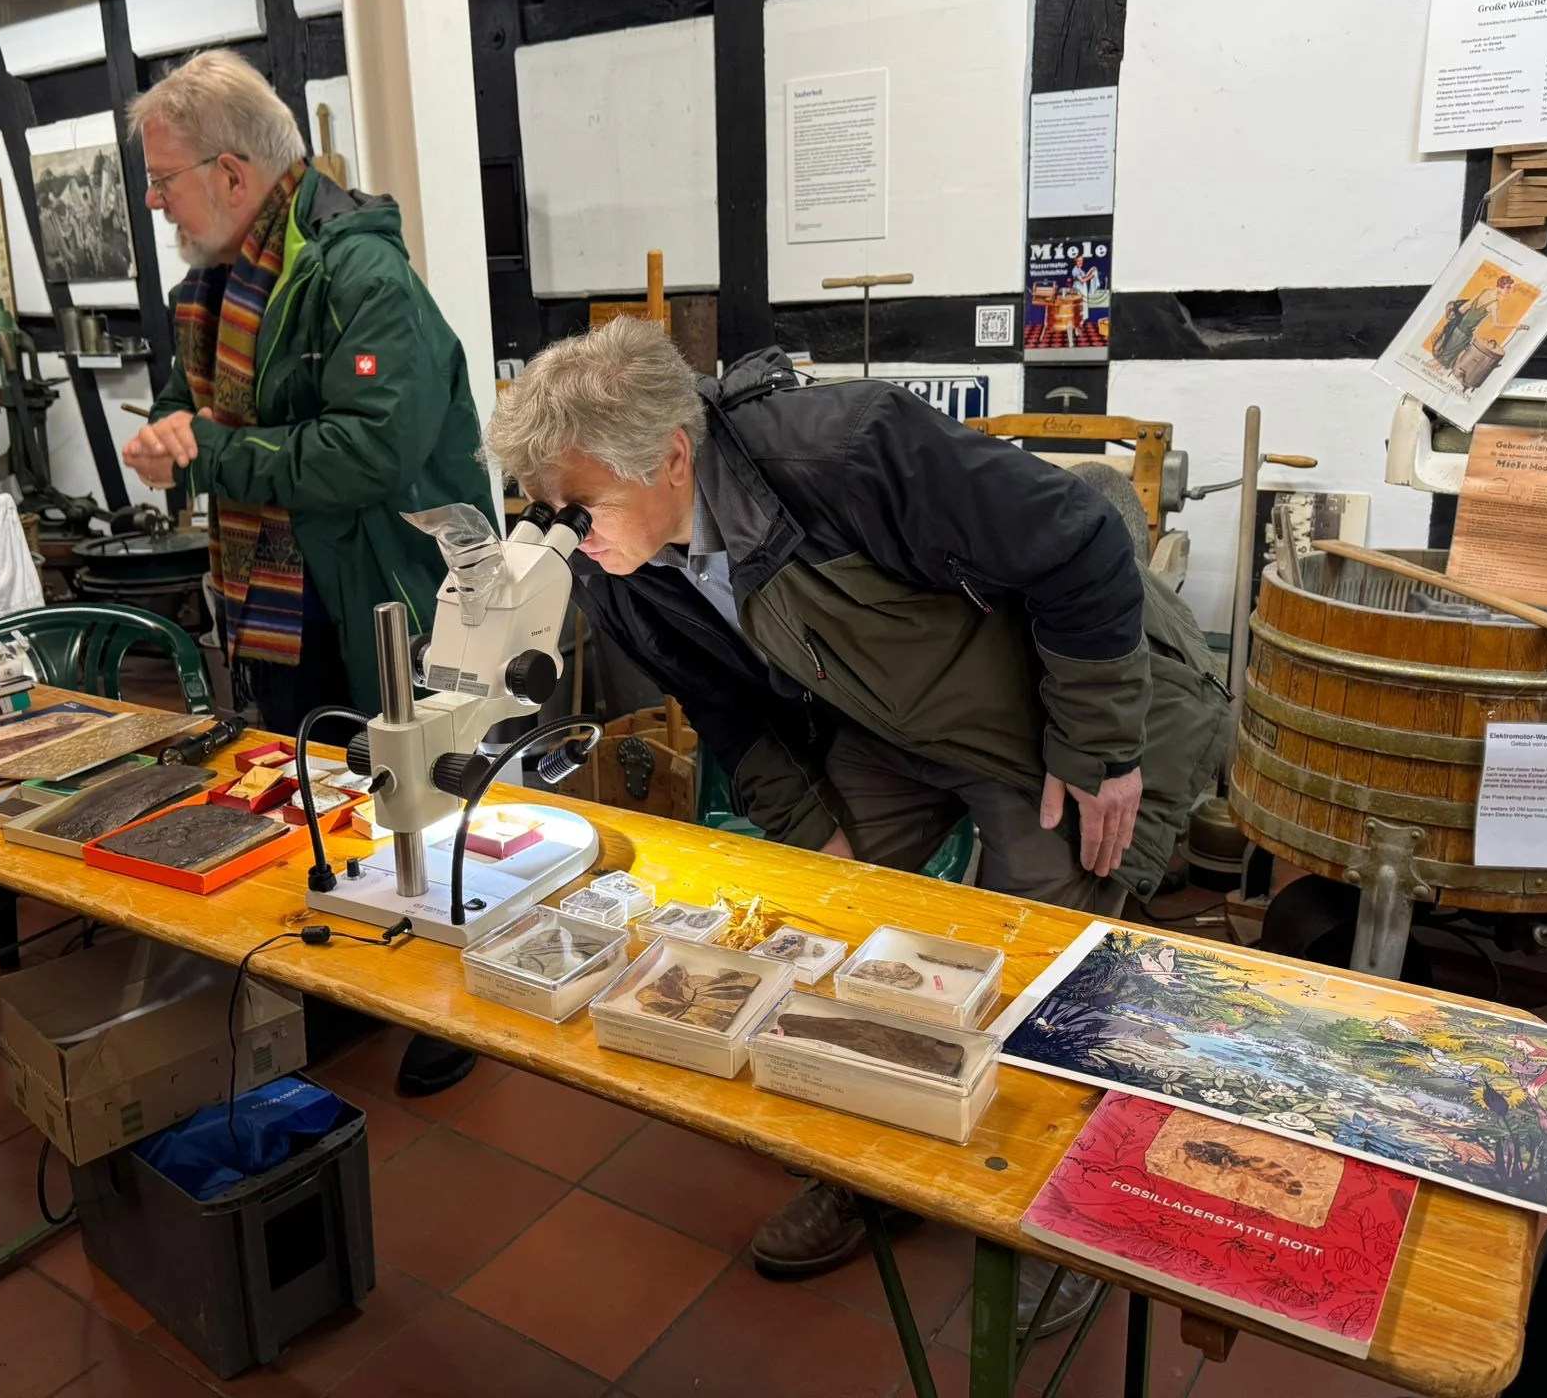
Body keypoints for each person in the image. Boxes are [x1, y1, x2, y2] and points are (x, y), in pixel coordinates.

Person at [485, 317, 1231, 1318]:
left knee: (1044, 956)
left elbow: (1082, 540)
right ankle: (872, 1170)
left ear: (671, 458)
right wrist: (818, 839)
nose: (570, 532)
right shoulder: (613, 563)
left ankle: (1053, 1210)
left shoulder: (847, 449)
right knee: (835, 924)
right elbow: (730, 713)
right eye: (548, 511)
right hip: (886, 713)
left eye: (583, 506)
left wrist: (1099, 747)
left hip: (1047, 706)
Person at [118, 50, 494, 1095]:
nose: (154, 201)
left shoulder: (362, 278)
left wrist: (208, 453)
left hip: (383, 584)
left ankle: (450, 993)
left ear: (232, 175)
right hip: (285, 594)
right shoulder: (216, 283)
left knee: (419, 786)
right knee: (319, 787)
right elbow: (196, 404)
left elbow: (367, 453)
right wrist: (169, 435)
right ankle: (350, 978)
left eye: (163, 179)